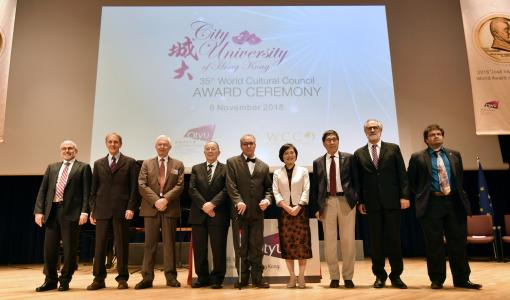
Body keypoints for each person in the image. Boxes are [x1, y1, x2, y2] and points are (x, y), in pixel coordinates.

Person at [408, 124, 482, 290]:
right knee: (434, 244)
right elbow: (411, 181)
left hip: (454, 202)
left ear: (443, 136)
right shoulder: (417, 157)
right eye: (432, 135)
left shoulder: (454, 155)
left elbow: (459, 177)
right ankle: (437, 279)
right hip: (431, 203)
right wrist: (424, 193)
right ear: (426, 139)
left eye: (439, 134)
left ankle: (462, 279)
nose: (436, 136)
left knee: (458, 243)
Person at [354, 119, 409, 289]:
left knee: (394, 240)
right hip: (371, 204)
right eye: (369, 128)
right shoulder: (359, 153)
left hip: (393, 202)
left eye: (375, 127)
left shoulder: (393, 148)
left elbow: (402, 175)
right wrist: (360, 201)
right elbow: (359, 181)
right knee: (376, 242)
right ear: (365, 132)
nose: (372, 129)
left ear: (380, 130)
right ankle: (379, 276)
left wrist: (404, 196)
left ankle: (396, 276)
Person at [33, 140, 92, 292]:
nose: (67, 150)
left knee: (69, 248)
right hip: (52, 212)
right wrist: (39, 211)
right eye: (64, 148)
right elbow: (43, 191)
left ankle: (65, 279)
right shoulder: (52, 167)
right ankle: (50, 280)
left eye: (70, 148)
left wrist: (85, 211)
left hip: (72, 213)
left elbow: (87, 192)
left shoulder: (83, 167)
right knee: (50, 249)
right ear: (61, 151)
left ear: (75, 151)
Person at [87, 133, 138, 290]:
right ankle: (98, 279)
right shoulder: (98, 163)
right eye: (110, 142)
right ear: (106, 144)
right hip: (101, 211)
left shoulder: (129, 162)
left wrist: (131, 207)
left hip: (122, 211)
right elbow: (93, 191)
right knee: (100, 246)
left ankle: (122, 278)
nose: (113, 144)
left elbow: (133, 189)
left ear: (120, 144)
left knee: (121, 245)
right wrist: (92, 210)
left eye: (116, 142)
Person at [310, 130, 358, 289]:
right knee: (330, 242)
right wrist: (317, 207)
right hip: (327, 203)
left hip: (346, 201)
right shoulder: (317, 162)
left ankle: (348, 277)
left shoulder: (349, 158)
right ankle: (334, 277)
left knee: (348, 241)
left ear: (338, 141)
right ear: (323, 143)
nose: (332, 142)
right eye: (328, 140)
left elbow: (357, 181)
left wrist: (356, 199)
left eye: (334, 139)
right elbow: (315, 188)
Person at [135, 135, 184, 289]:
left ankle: (171, 277)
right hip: (151, 208)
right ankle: (147, 278)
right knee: (150, 244)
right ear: (155, 147)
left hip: (170, 208)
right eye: (159, 144)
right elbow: (141, 184)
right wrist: (156, 200)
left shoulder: (178, 164)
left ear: (170, 147)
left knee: (170, 244)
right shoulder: (146, 164)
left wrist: (165, 200)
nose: (162, 147)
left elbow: (180, 186)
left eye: (165, 145)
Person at [226, 134, 272, 288]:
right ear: (241, 145)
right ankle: (242, 279)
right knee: (241, 248)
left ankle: (258, 279)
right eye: (245, 143)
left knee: (257, 247)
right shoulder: (232, 162)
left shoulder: (264, 166)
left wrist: (267, 199)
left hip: (257, 214)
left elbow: (269, 188)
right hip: (239, 214)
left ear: (255, 145)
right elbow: (231, 185)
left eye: (251, 143)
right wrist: (238, 200)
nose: (248, 146)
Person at [188, 141, 230, 289]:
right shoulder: (196, 168)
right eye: (208, 149)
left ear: (219, 152)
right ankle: (202, 278)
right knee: (199, 249)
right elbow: (192, 189)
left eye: (213, 149)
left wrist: (212, 204)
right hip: (199, 214)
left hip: (218, 214)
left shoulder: (226, 169)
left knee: (218, 248)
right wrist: (204, 205)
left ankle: (217, 278)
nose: (210, 151)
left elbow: (226, 190)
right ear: (204, 152)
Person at [273, 143, 312, 289]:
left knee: (302, 246)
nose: (289, 155)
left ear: (296, 154)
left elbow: (306, 189)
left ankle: (301, 277)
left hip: (300, 212)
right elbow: (275, 192)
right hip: (285, 213)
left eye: (292, 153)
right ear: (282, 156)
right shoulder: (277, 173)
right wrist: (285, 206)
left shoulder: (303, 171)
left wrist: (299, 206)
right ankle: (292, 278)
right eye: (286, 153)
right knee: (288, 246)